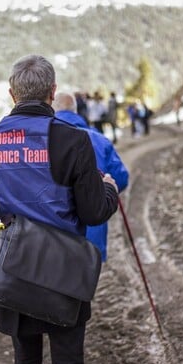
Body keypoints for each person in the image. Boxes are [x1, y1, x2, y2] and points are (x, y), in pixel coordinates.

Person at [0, 54, 119, 364]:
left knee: (27, 361)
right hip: (62, 273)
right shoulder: (72, 139)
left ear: (11, 94)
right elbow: (93, 212)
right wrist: (109, 190)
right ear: (52, 91)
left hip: (12, 271)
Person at [52, 91, 129, 262]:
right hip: (92, 235)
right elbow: (121, 178)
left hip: (54, 237)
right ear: (76, 110)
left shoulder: (43, 141)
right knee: (87, 285)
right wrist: (108, 190)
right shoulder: (99, 139)